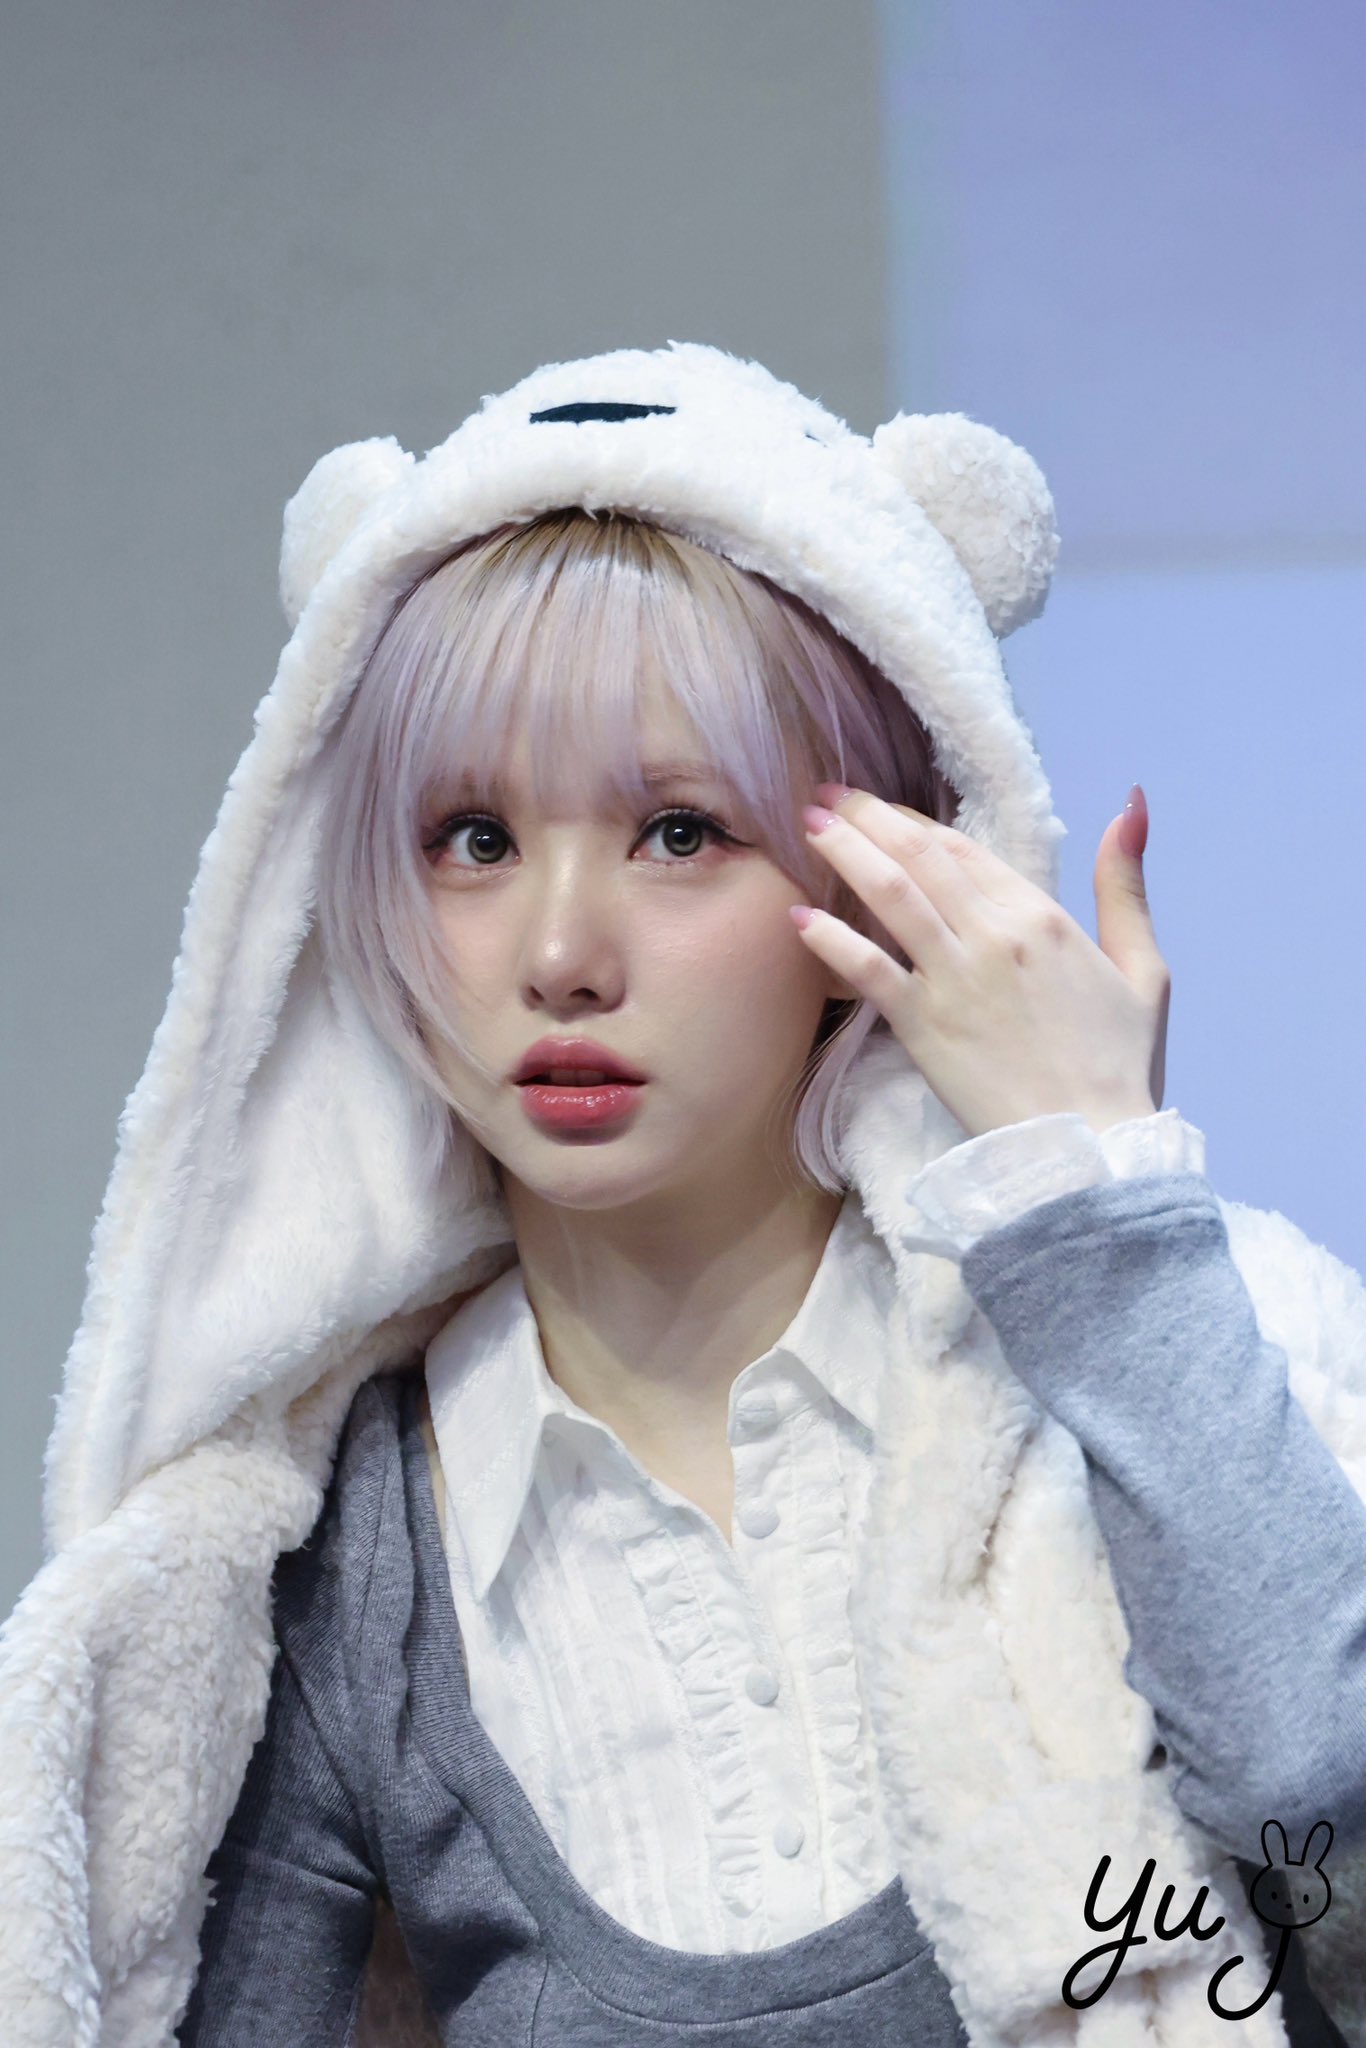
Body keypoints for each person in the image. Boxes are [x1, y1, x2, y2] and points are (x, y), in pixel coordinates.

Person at [3, 343, 1365, 2048]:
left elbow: (1318, 1805)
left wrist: (1094, 1198)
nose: (560, 955)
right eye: (473, 840)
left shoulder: (1153, 1365)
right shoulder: (339, 1565)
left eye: (677, 831)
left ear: (888, 866)